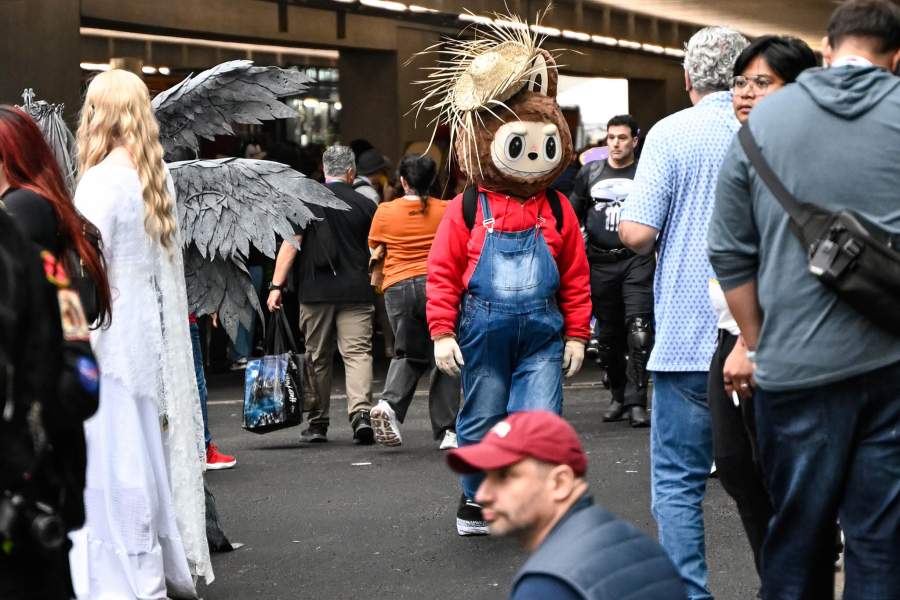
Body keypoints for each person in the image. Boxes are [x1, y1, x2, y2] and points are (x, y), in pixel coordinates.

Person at [708, 1, 900, 596]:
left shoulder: (763, 122)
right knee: (880, 539)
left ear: (825, 48)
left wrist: (759, 343)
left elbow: (728, 251)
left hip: (792, 373)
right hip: (892, 367)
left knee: (796, 534)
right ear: (896, 57)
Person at [422, 34, 591, 536]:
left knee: (540, 420)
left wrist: (579, 334)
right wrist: (441, 331)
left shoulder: (559, 208)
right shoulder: (467, 207)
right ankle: (475, 499)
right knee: (480, 419)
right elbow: (443, 272)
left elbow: (576, 279)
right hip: (481, 332)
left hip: (544, 332)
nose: (535, 155)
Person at [69, 69, 212, 597]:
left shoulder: (99, 181)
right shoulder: (157, 176)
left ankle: (124, 569)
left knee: (113, 456)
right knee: (150, 449)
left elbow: (84, 267)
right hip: (155, 330)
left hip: (112, 328)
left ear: (98, 114)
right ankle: (160, 560)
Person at [618, 27, 748, 600]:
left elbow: (640, 234)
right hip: (764, 335)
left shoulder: (672, 133)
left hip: (690, 336)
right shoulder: (768, 130)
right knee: (776, 480)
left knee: (677, 481)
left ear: (688, 77)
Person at [706, 35, 818, 581]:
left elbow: (784, 260)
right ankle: (781, 576)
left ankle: (796, 578)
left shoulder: (803, 155)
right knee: (735, 466)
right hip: (733, 334)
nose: (746, 93)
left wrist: (752, 344)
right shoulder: (742, 148)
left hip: (778, 339)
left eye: (763, 82)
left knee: (783, 474)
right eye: (740, 82)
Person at [445, 411, 687, 600]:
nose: (483, 494)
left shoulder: (548, 584)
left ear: (560, 483)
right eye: (486, 477)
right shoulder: (638, 544)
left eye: (505, 476)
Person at [267, 145, 377, 445]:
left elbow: (291, 245)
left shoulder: (308, 202)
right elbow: (377, 250)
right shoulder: (366, 205)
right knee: (357, 354)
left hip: (316, 293)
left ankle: (318, 423)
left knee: (318, 356)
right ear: (351, 172)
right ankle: (361, 415)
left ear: (324, 169)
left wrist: (276, 286)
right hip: (356, 290)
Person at [368, 155, 460, 449]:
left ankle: (389, 405)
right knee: (444, 355)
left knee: (407, 353)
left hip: (397, 288)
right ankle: (448, 430)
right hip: (437, 285)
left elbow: (374, 247)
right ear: (432, 181)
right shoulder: (447, 209)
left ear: (403, 181)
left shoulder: (384, 211)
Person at [569, 115, 652, 427]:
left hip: (636, 259)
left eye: (622, 137)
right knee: (608, 338)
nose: (615, 143)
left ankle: (637, 401)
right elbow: (571, 213)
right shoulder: (590, 172)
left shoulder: (646, 172)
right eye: (611, 137)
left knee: (640, 331)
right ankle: (618, 395)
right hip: (599, 262)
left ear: (635, 140)